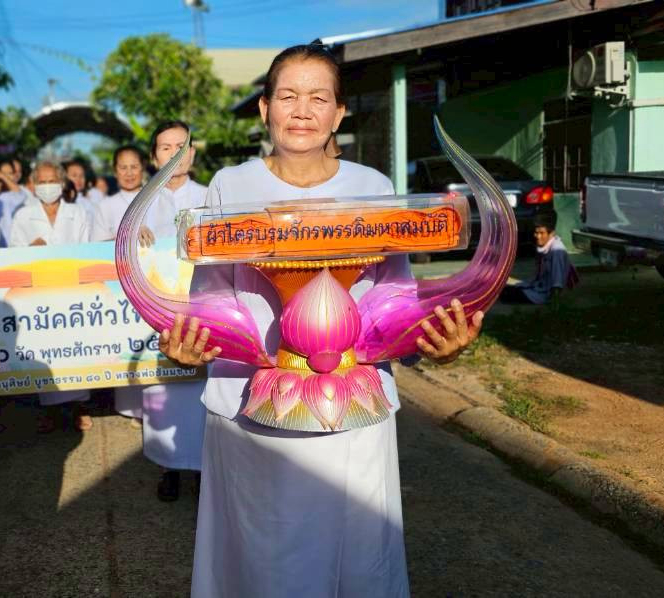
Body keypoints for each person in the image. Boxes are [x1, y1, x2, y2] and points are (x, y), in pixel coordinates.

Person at [158, 45, 483, 597]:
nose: (302, 110)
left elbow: (393, 297)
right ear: (265, 108)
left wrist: (434, 342)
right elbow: (211, 296)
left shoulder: (375, 188)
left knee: (355, 554)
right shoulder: (230, 188)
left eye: (318, 98)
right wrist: (189, 344)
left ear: (338, 113)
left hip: (352, 405)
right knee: (257, 557)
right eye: (287, 96)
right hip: (249, 405)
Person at [124, 120, 209, 501]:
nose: (174, 153)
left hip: (204, 311)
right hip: (156, 318)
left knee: (204, 393)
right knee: (165, 395)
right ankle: (168, 469)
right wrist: (129, 235)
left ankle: (207, 472)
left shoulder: (213, 196)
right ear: (154, 155)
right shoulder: (138, 203)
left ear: (192, 152)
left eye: (182, 145)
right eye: (165, 147)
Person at [6, 161, 96, 431]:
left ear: (62, 182)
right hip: (39, 293)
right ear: (33, 185)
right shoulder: (23, 215)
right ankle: (50, 412)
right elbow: (11, 253)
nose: (48, 186)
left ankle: (81, 406)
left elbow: (88, 247)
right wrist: (28, 249)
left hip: (73, 288)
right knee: (48, 348)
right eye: (42, 181)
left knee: (76, 347)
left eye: (52, 180)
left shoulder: (78, 212)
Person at [502, 213, 579, 304]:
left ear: (551, 234)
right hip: (538, 287)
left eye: (542, 233)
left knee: (507, 295)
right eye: (536, 233)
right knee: (505, 290)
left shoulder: (557, 250)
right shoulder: (545, 246)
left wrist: (555, 303)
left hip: (544, 294)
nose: (538, 236)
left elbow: (557, 281)